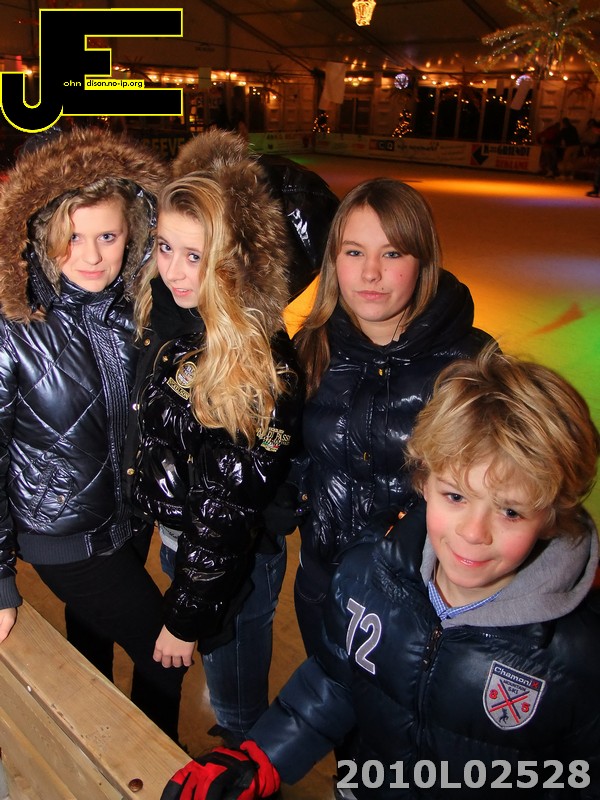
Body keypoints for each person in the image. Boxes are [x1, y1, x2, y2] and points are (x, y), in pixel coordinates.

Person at [159, 346, 600, 800]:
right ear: (424, 481)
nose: (473, 533)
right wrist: (263, 757)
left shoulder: (581, 654)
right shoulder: (368, 573)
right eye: (455, 497)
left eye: (510, 511)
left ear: (551, 517)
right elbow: (336, 680)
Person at [0, 126, 185, 740]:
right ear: (39, 237)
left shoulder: (138, 310)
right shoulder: (16, 327)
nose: (92, 256)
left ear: (133, 234)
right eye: (72, 237)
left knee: (92, 638)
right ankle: (160, 762)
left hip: (126, 519)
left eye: (107, 236)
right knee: (164, 651)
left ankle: (101, 746)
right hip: (66, 537)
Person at [123, 129, 305, 748]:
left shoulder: (255, 362)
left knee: (237, 711)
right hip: (186, 547)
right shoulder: (173, 317)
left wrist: (186, 617)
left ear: (229, 260)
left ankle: (247, 770)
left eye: (194, 255)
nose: (172, 270)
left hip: (231, 562)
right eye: (164, 248)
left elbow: (227, 512)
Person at [287, 177, 492, 659]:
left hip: (420, 600)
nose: (371, 273)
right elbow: (296, 448)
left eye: (393, 253)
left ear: (422, 261)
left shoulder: (471, 366)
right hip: (323, 580)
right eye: (354, 252)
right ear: (334, 260)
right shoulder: (310, 349)